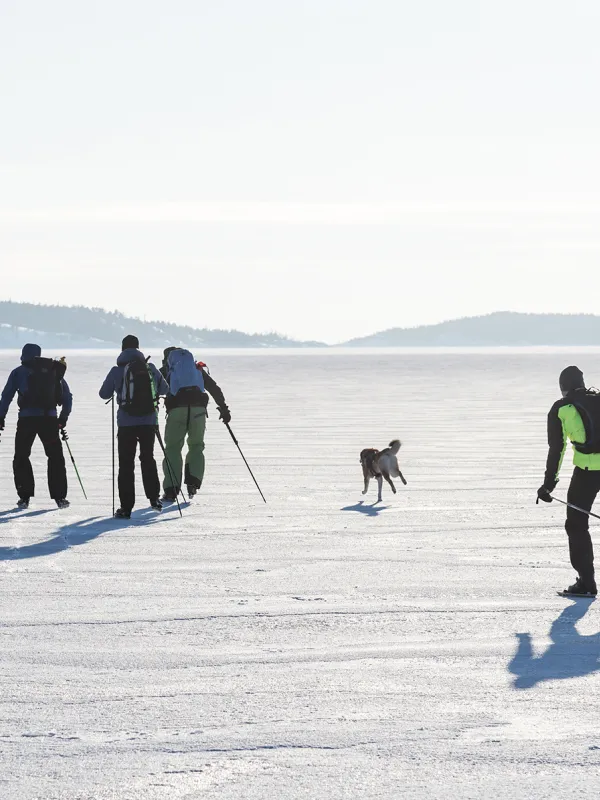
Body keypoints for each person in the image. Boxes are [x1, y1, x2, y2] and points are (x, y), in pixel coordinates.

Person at [537, 365, 600, 597]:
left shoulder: (561, 408)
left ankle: (587, 583)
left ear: (562, 387)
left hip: (586, 472)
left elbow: (557, 449)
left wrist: (548, 485)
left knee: (577, 525)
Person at [99, 335, 168, 519]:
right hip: (148, 422)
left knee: (126, 464)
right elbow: (164, 390)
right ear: (138, 349)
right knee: (148, 459)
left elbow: (103, 394)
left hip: (126, 424)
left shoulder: (116, 370)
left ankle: (126, 507)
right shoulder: (150, 368)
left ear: (122, 350)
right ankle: (154, 499)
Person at [0, 344, 72, 509]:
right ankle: (60, 497)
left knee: (21, 456)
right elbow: (67, 397)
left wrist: (1, 416)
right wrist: (63, 418)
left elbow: (6, 396)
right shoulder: (53, 370)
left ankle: (24, 496)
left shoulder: (18, 372)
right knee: (55, 457)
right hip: (49, 420)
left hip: (27, 420)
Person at [160, 346, 230, 502]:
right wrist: (224, 408)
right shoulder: (196, 368)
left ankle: (171, 489)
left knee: (172, 447)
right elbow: (213, 388)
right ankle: (193, 483)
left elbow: (156, 389)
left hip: (177, 410)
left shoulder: (167, 369)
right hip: (198, 410)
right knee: (196, 445)